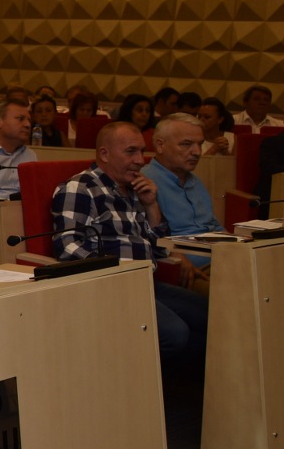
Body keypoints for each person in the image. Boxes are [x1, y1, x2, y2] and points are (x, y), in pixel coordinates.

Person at [51, 122, 208, 361]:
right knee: (175, 333)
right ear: (105, 154)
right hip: (111, 287)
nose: (141, 160)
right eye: (131, 151)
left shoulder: (135, 188)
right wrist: (117, 270)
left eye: (142, 151)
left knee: (209, 315)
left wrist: (151, 205)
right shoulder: (81, 188)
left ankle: (173, 381)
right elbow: (67, 247)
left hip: (147, 281)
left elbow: (158, 246)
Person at [148, 114, 224, 240]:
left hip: (214, 246)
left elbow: (214, 225)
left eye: (200, 144)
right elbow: (155, 241)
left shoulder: (196, 181)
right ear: (160, 145)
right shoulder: (146, 182)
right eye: (186, 144)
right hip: (179, 249)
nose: (197, 152)